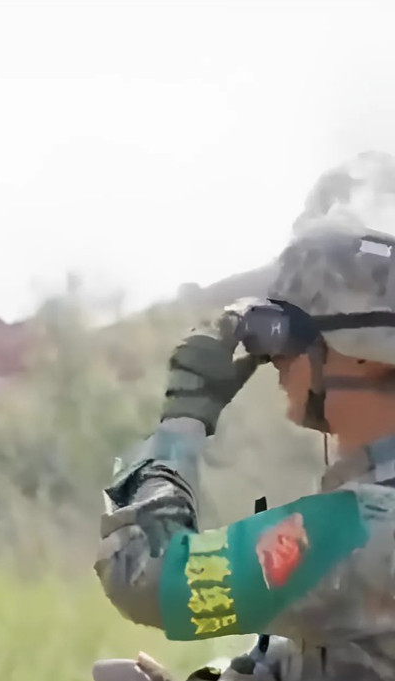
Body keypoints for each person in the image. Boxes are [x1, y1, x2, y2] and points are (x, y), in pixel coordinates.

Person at [93, 164, 395, 678]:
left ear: (364, 352)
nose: (275, 361)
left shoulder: (358, 530)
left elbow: (143, 572)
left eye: (287, 336)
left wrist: (182, 420)